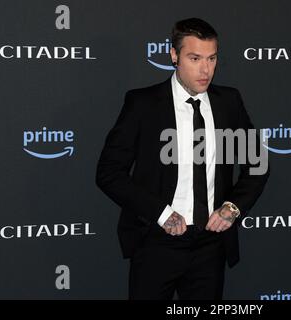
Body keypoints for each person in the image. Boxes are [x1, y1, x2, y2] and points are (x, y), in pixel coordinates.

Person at [96, 17, 270, 300]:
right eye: (195, 58)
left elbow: (257, 165)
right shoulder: (143, 104)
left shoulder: (229, 101)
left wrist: (232, 207)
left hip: (210, 245)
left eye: (212, 58)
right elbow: (108, 173)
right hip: (156, 242)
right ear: (174, 56)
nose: (206, 69)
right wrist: (161, 213)